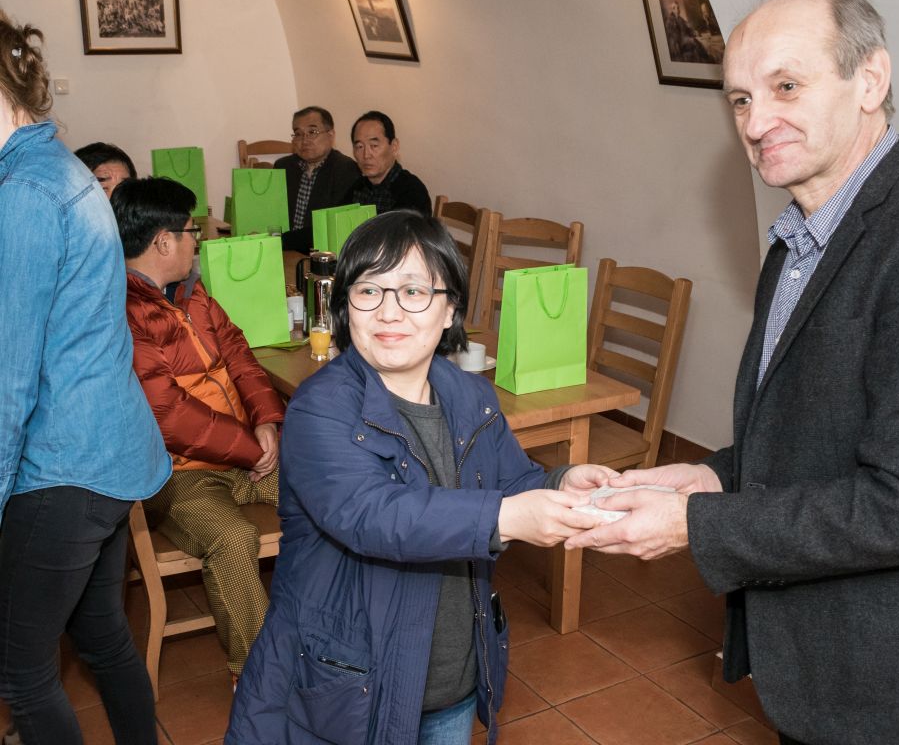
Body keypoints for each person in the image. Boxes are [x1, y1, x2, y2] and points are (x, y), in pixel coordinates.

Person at [568, 0, 899, 745]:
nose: (757, 123)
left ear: (870, 80)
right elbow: (813, 431)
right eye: (740, 100)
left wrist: (697, 523)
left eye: (786, 86)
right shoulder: (800, 240)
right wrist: (712, 477)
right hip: (823, 659)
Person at [226, 212, 613, 744]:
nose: (389, 312)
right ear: (345, 305)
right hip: (352, 683)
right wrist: (505, 517)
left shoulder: (470, 395)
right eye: (369, 291)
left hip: (452, 675)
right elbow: (374, 515)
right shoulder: (321, 408)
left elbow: (512, 481)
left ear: (449, 307)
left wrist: (560, 484)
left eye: (413, 291)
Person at [0, 9, 170, 745]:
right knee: (100, 634)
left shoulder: (25, 191)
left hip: (63, 464)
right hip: (109, 449)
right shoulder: (59, 168)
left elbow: (9, 382)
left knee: (20, 672)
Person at [111, 176, 286, 685]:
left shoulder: (194, 294)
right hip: (176, 473)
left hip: (244, 453)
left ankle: (322, 628)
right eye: (193, 231)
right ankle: (256, 676)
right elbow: (167, 414)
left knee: (330, 491)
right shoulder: (122, 312)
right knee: (233, 538)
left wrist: (266, 420)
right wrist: (250, 448)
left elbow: (239, 353)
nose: (199, 241)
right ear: (163, 241)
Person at [275, 105, 360, 253]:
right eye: (298, 134)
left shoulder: (346, 169)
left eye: (312, 132)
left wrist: (280, 241)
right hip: (281, 251)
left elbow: (331, 227)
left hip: (322, 254)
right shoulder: (283, 166)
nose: (304, 140)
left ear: (331, 135)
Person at [346, 110, 432, 216]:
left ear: (394, 147)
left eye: (374, 146)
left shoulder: (412, 191)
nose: (366, 155)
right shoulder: (357, 187)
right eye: (359, 147)